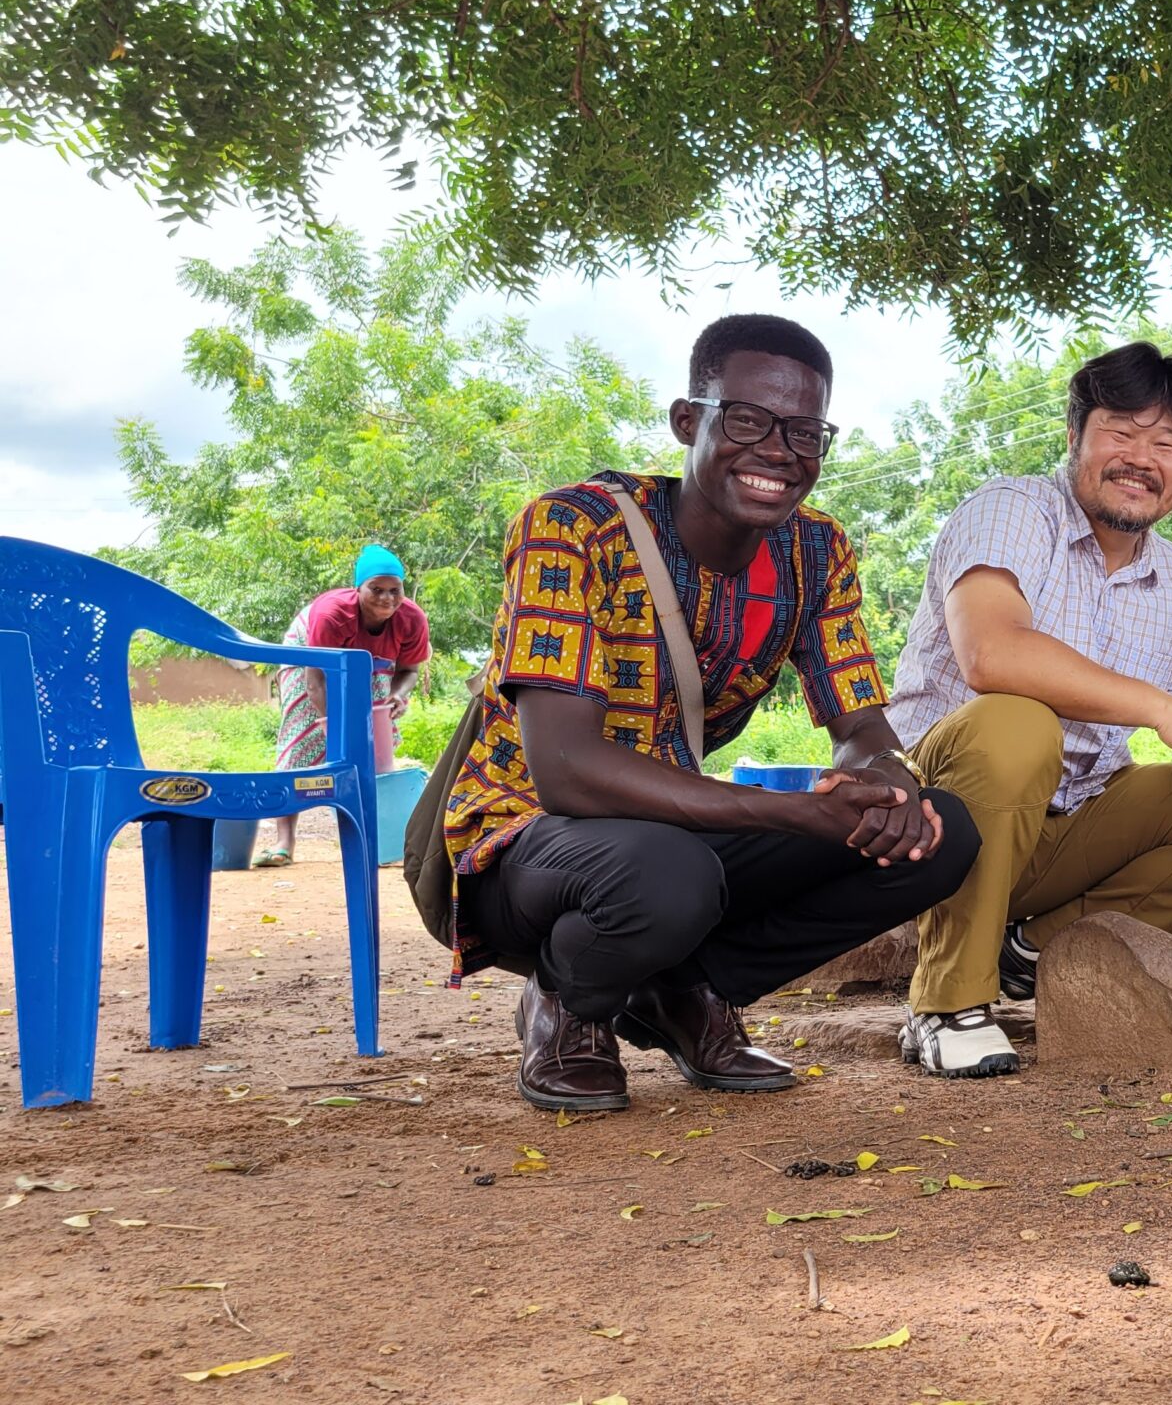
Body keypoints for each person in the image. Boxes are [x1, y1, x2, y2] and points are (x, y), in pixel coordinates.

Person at [440, 314, 979, 1113]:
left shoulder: (815, 551)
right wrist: (795, 814)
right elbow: (566, 774)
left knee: (940, 831)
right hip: (525, 840)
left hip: (669, 829)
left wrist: (886, 787)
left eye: (804, 431)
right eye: (749, 421)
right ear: (688, 421)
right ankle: (567, 1003)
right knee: (667, 873)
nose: (778, 452)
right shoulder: (571, 528)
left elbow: (859, 726)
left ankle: (685, 993)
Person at [885, 341, 1172, 1079]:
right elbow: (992, 656)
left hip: (1068, 827)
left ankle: (1034, 950)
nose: (1141, 457)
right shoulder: (1012, 510)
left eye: (1166, 443)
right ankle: (946, 1005)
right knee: (1018, 722)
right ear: (1074, 436)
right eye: (1120, 432)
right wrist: (1164, 713)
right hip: (934, 824)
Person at [256, 545, 430, 867]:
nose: (386, 599)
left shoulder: (411, 619)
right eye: (376, 589)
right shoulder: (332, 614)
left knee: (374, 742)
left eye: (395, 590)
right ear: (358, 588)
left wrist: (397, 696)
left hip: (371, 662)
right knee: (302, 733)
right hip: (309, 657)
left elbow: (409, 671)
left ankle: (375, 841)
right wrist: (332, 726)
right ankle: (284, 842)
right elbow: (316, 682)